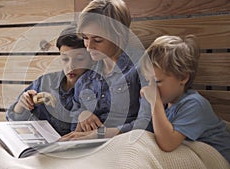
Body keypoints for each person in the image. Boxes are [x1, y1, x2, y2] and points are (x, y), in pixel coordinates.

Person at [139, 35, 230, 163]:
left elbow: (167, 143)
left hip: (218, 161)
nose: (151, 87)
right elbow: (143, 134)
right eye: (148, 81)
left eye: (157, 82)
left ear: (183, 77)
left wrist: (155, 102)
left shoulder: (195, 104)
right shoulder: (165, 105)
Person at [61, 0, 145, 140]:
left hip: (124, 143)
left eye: (98, 40)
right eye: (85, 38)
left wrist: (99, 135)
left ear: (120, 35)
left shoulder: (142, 67)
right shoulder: (86, 75)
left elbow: (148, 122)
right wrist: (82, 115)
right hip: (88, 146)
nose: (89, 47)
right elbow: (75, 113)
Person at [6, 25, 94, 136]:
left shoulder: (97, 89)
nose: (71, 66)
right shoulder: (45, 82)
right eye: (65, 59)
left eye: (79, 59)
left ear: (91, 58)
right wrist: (21, 105)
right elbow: (12, 121)